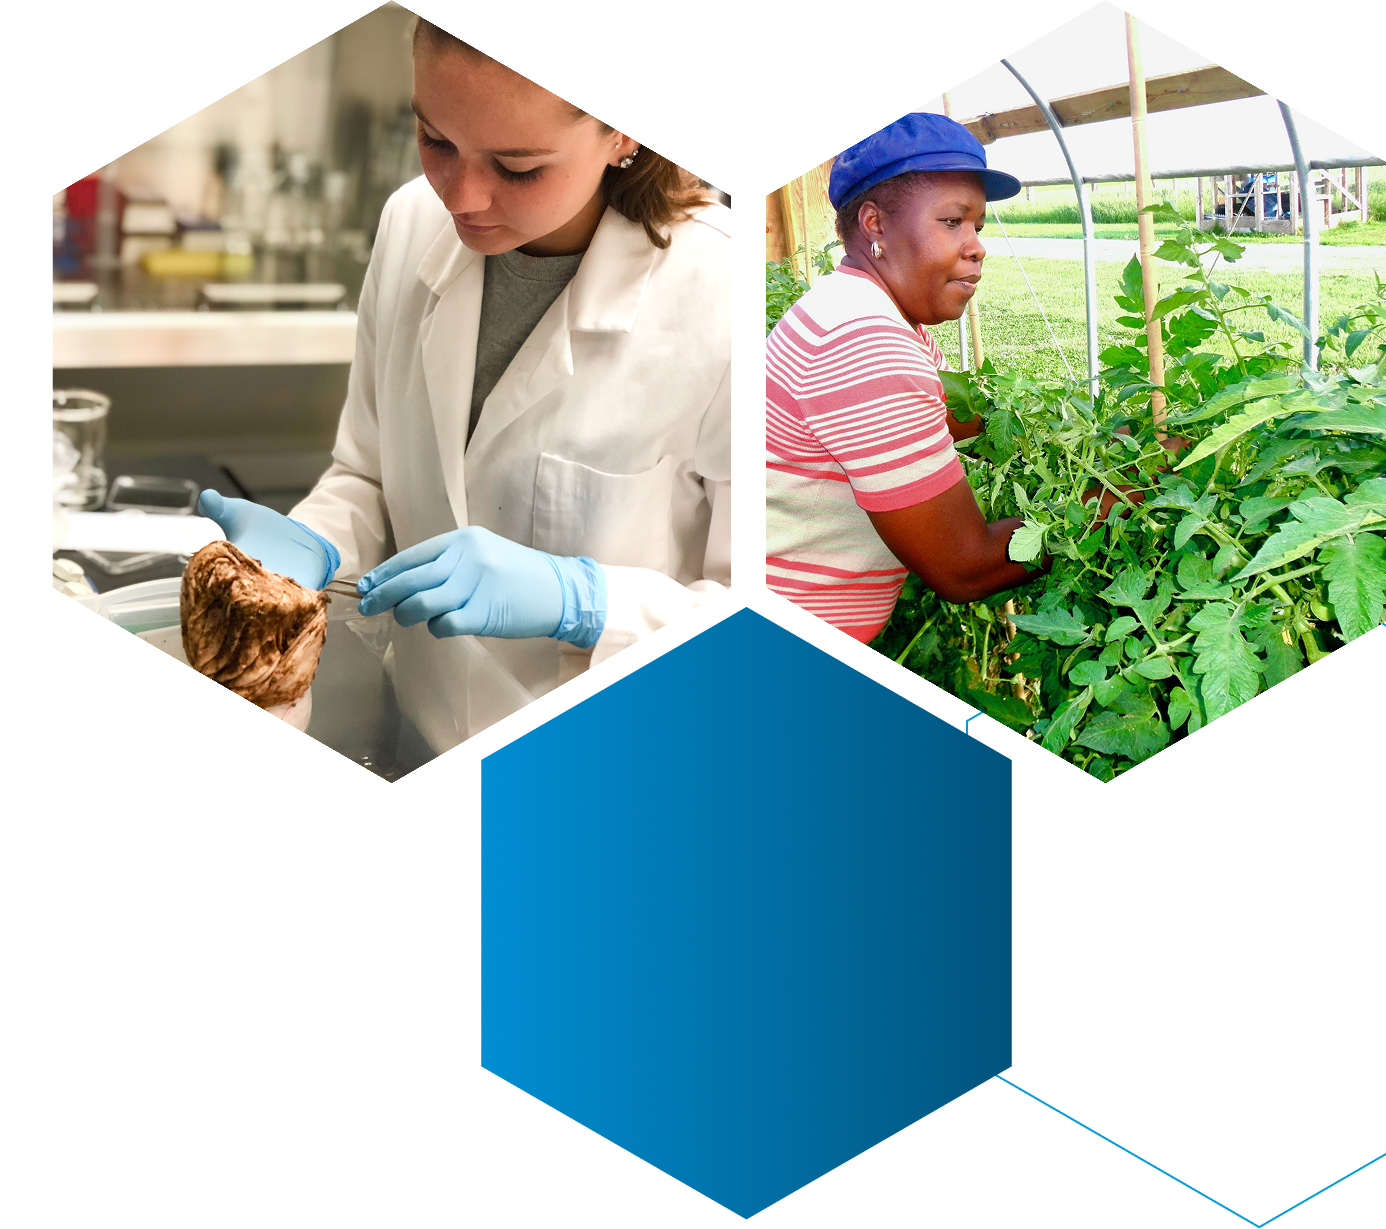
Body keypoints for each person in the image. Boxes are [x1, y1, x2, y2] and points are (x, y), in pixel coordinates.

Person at [194, 20, 729, 751]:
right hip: (418, 729)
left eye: (518, 167)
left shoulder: (719, 295)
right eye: (435, 140)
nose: (463, 197)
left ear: (621, 139)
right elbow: (369, 472)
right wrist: (310, 544)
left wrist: (584, 600)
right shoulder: (411, 221)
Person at [766, 113, 1050, 644]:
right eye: (952, 222)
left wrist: (1043, 425)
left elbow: (948, 413)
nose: (976, 246)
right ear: (875, 224)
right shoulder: (863, 342)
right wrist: (1114, 495)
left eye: (977, 227)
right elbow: (965, 568)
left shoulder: (859, 305)